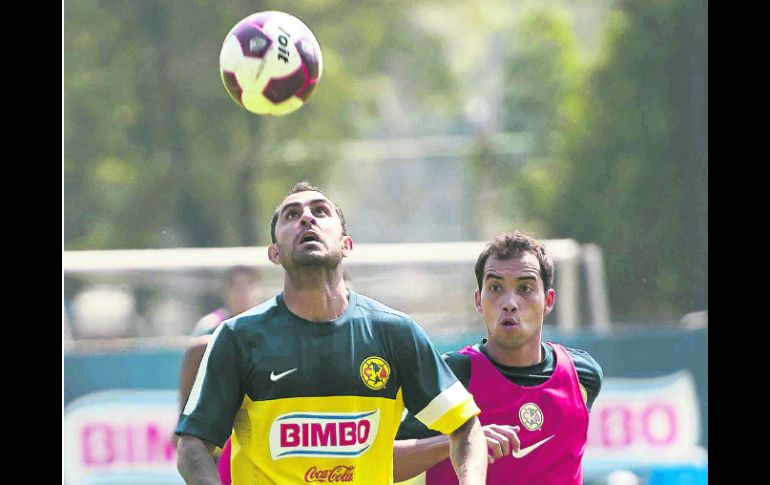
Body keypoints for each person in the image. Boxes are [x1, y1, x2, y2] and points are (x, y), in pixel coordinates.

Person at [176, 182, 488, 484]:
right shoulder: (238, 337)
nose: (307, 218)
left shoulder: (395, 333)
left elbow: (465, 427)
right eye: (291, 214)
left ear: (346, 245)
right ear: (274, 254)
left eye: (320, 211)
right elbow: (192, 446)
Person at [393, 231, 603, 485]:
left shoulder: (583, 375)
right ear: (478, 301)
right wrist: (463, 440)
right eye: (495, 288)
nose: (510, 303)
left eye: (525, 288)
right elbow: (385, 462)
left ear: (548, 301)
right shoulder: (452, 374)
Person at [175, 266, 262, 485]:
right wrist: (182, 416)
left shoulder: (266, 326)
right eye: (236, 287)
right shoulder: (210, 328)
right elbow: (192, 366)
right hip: (219, 432)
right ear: (226, 292)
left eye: (248, 286)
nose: (243, 293)